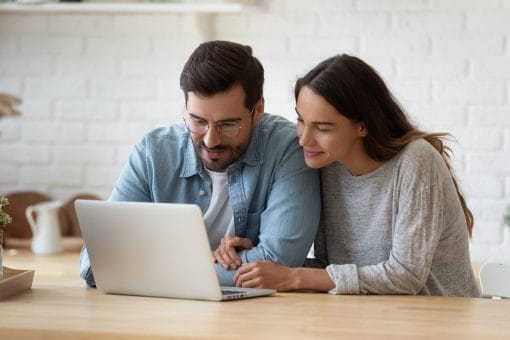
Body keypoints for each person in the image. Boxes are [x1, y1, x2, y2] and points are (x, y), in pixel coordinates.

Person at [233, 54, 481, 297]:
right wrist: (259, 260)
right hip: (369, 317)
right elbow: (337, 273)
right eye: (300, 120)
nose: (304, 138)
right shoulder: (326, 165)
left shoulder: (416, 160)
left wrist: (293, 277)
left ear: (363, 126)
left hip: (440, 321)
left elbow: (405, 276)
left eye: (322, 127)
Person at [79, 40, 320, 287]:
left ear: (258, 109)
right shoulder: (153, 152)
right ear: (185, 108)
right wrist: (201, 262)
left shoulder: (287, 149)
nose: (211, 140)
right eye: (197, 121)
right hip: (159, 312)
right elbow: (96, 262)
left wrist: (152, 266)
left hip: (255, 316)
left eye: (227, 125)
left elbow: (280, 262)